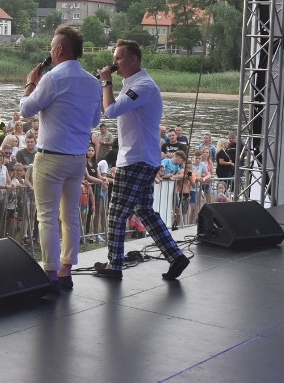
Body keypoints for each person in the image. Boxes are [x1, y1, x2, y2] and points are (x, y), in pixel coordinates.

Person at [94, 39, 190, 281]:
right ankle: (175, 255)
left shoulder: (143, 86)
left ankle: (114, 265)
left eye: (118, 58)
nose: (114, 62)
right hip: (142, 156)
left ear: (134, 59)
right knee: (144, 210)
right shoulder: (133, 84)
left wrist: (106, 81)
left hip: (137, 158)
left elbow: (112, 111)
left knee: (116, 214)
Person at [19, 26, 101, 292]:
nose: (51, 54)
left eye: (52, 49)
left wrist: (31, 83)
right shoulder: (92, 82)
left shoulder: (52, 78)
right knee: (71, 215)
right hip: (77, 158)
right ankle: (67, 269)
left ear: (60, 50)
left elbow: (26, 110)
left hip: (51, 157)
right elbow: (95, 120)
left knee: (47, 217)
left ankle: (51, 272)